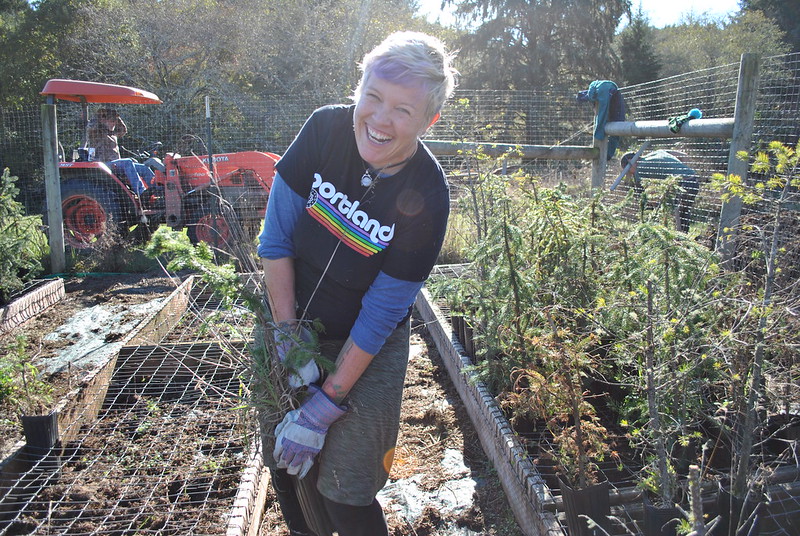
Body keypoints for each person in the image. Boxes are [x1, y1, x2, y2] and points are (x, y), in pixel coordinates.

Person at [257, 31, 458, 536]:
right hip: (292, 318)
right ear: (359, 89)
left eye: (402, 110)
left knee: (345, 492)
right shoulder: (324, 130)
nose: (380, 118)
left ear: (429, 120)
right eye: (373, 97)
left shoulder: (428, 193)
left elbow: (384, 308)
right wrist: (287, 334)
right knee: (287, 467)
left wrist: (328, 401)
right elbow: (277, 238)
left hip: (366, 345)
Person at [620, 149, 699, 233]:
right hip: (693, 179)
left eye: (627, 169)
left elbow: (649, 196)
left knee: (678, 214)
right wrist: (679, 171)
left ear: (630, 161)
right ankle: (681, 236)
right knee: (682, 213)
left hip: (684, 184)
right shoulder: (658, 152)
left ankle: (679, 238)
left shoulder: (640, 169)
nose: (629, 173)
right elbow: (683, 156)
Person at [86, 107, 154, 195]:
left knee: (144, 168)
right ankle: (141, 192)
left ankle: (157, 191)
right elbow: (91, 126)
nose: (113, 124)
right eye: (111, 121)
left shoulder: (112, 133)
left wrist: (116, 116)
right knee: (127, 162)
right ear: (103, 121)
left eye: (115, 121)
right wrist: (100, 114)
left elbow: (123, 130)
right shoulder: (95, 133)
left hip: (116, 165)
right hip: (103, 164)